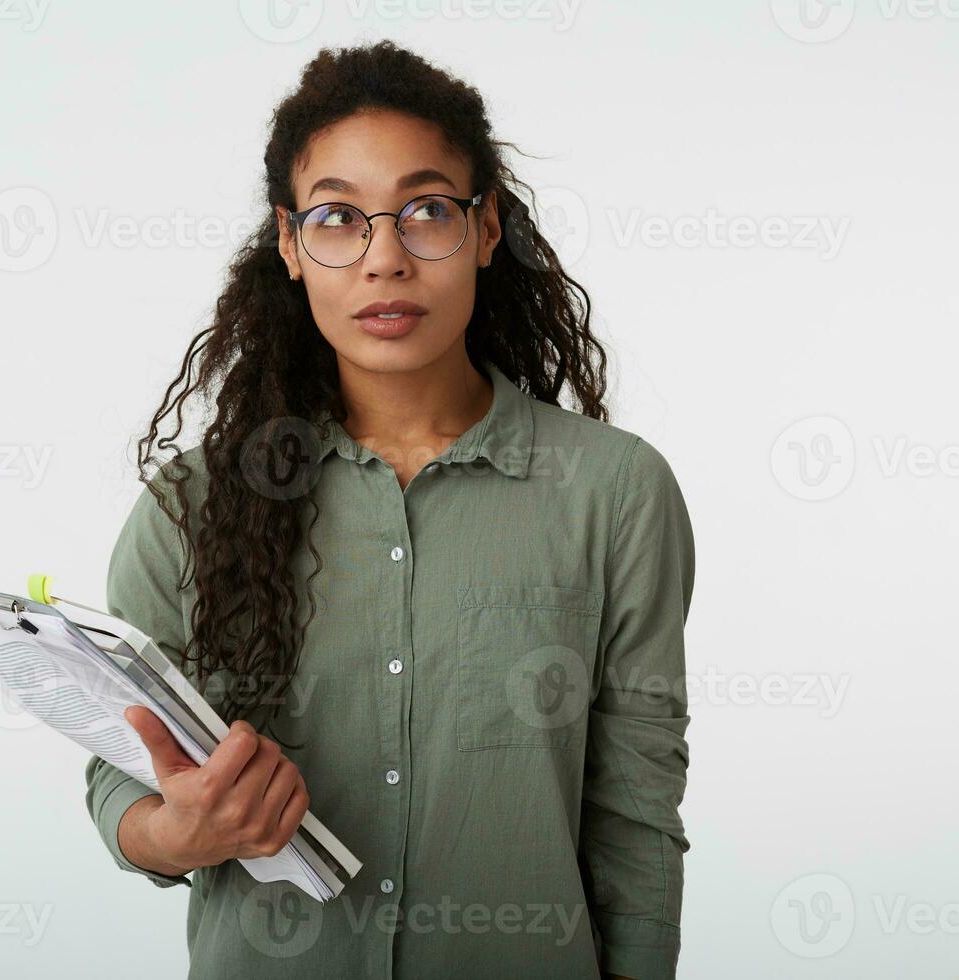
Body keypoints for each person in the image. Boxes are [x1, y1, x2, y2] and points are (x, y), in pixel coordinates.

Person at [82, 39, 695, 980]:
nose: (384, 259)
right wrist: (178, 833)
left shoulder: (614, 493)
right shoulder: (192, 503)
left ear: (486, 229)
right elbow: (117, 770)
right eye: (337, 217)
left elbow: (636, 813)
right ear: (289, 245)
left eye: (426, 211)